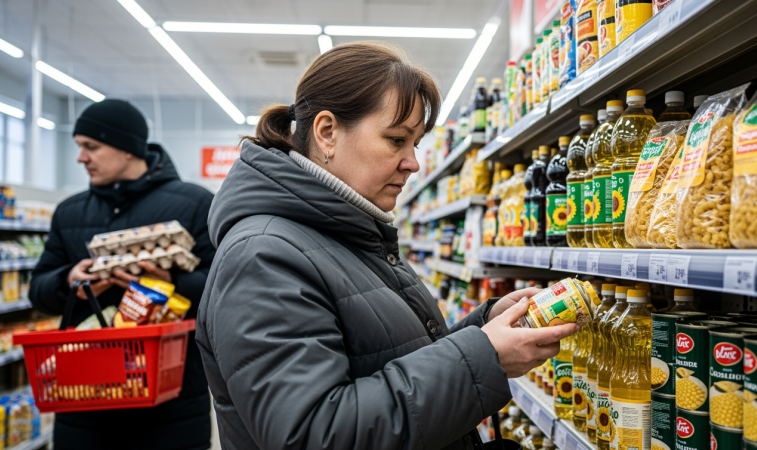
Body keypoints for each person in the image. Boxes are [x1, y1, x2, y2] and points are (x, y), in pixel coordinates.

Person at [198, 42, 578, 450]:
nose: (413, 162)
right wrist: (486, 357)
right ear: (328, 132)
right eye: (396, 140)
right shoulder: (261, 258)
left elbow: (387, 357)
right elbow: (315, 435)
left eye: (415, 143)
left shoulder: (353, 233)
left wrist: (484, 328)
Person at [29, 99, 215, 450]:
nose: (81, 157)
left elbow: (225, 292)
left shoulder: (194, 204)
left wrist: (170, 282)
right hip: (83, 397)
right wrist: (68, 281)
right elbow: (37, 293)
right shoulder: (69, 212)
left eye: (91, 147)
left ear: (127, 148)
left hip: (170, 401)